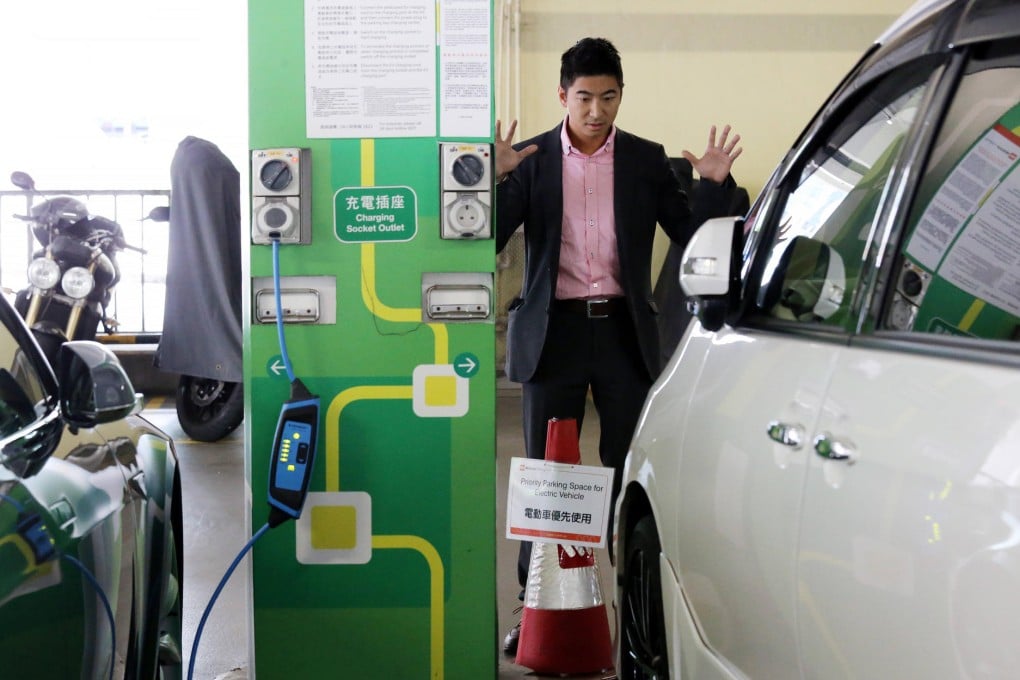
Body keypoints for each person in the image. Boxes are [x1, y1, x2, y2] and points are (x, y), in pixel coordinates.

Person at [494, 37, 743, 655]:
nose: (597, 110)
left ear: (620, 96)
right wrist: (491, 180)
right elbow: (488, 238)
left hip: (623, 334)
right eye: (584, 97)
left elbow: (690, 233)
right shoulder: (529, 163)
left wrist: (714, 185)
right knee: (547, 477)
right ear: (562, 96)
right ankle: (534, 608)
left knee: (633, 473)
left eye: (608, 97)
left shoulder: (644, 160)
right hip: (553, 335)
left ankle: (636, 604)